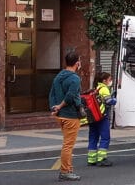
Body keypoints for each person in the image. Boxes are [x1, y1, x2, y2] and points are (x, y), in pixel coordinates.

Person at [49, 51, 84, 181]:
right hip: (71, 115)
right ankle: (65, 171)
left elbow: (52, 94)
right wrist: (60, 106)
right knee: (68, 145)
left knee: (67, 143)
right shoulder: (75, 78)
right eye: (79, 61)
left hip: (61, 116)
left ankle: (67, 169)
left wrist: (54, 108)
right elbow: (70, 97)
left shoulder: (58, 76)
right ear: (77, 63)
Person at [86, 72, 117, 167]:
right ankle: (102, 158)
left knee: (93, 137)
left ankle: (91, 159)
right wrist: (115, 100)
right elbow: (109, 101)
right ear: (104, 81)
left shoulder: (95, 89)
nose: (110, 81)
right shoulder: (104, 89)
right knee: (105, 137)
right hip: (102, 117)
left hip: (93, 117)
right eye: (109, 79)